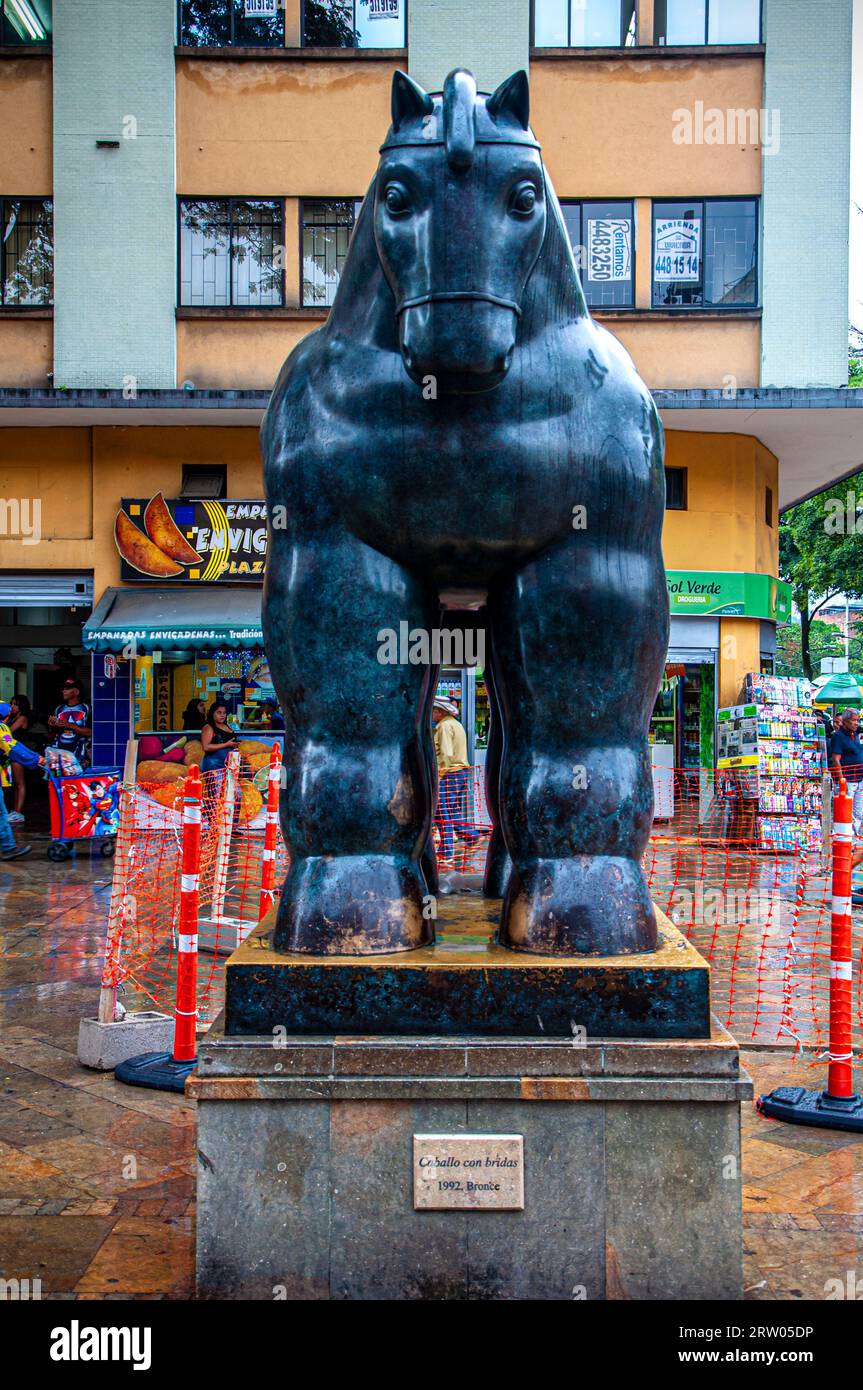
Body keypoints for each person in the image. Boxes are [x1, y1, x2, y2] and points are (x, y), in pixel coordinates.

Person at [432, 696, 480, 865]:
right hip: (459, 773)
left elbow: (445, 753)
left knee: (441, 812)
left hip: (449, 773)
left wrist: (438, 775)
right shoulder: (456, 724)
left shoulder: (443, 726)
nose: (432, 714)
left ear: (440, 711)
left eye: (433, 711)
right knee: (451, 810)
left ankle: (446, 853)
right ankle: (472, 836)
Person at [0, 700, 45, 860]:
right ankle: (8, 848)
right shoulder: (1, 728)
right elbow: (12, 747)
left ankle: (8, 847)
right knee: (1, 813)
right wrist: (36, 759)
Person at [829, 707, 863, 834]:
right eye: (854, 720)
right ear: (845, 721)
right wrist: (841, 779)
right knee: (846, 812)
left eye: (858, 720)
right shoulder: (838, 736)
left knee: (858, 813)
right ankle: (846, 837)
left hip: (860, 779)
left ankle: (853, 837)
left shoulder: (856, 735)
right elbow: (836, 759)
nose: (856, 723)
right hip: (848, 780)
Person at [47, 676, 91, 770]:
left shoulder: (87, 708)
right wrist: (52, 726)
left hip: (79, 754)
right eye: (63, 688)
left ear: (76, 691)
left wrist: (69, 725)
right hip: (59, 754)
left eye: (67, 689)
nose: (64, 691)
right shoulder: (58, 709)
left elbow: (91, 732)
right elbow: (51, 736)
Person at [7, 694, 33, 823]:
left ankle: (19, 812)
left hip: (19, 753)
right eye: (11, 704)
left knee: (20, 783)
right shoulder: (11, 717)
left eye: (15, 704)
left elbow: (8, 732)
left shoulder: (22, 718)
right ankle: (15, 810)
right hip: (12, 752)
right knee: (15, 784)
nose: (12, 707)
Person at [200, 700, 240, 773]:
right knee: (217, 784)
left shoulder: (226, 725)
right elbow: (206, 747)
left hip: (230, 763)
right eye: (219, 712)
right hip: (214, 764)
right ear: (212, 713)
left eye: (224, 713)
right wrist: (226, 744)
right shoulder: (208, 727)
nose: (222, 715)